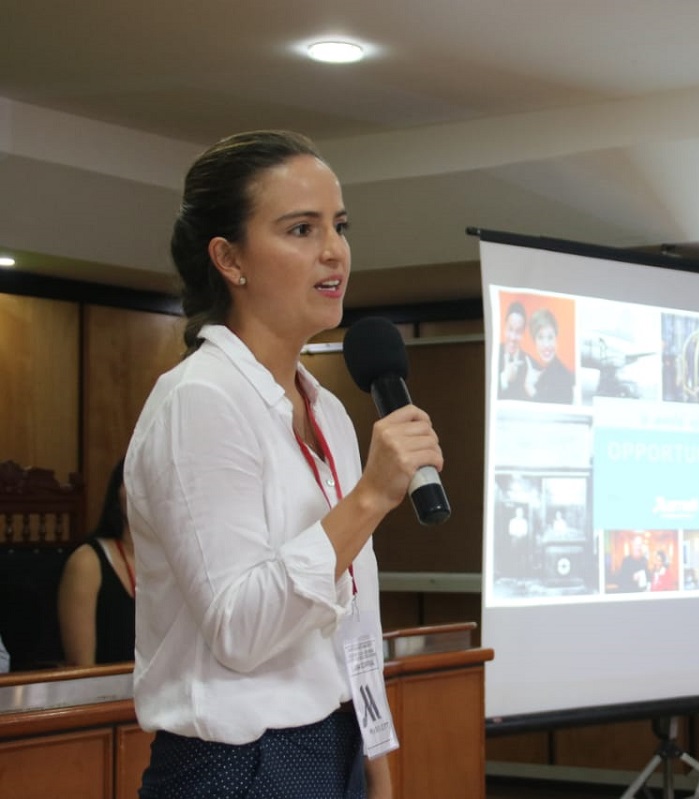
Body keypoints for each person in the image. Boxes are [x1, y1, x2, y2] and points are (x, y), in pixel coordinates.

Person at [125, 130, 443, 799]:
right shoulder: (199, 400)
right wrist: (370, 498)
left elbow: (350, 614)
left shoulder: (325, 407)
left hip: (340, 744)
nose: (333, 250)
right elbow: (240, 629)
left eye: (339, 225)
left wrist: (377, 764)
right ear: (230, 259)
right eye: (301, 228)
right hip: (239, 766)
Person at [57, 458, 136, 666]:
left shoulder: (173, 561)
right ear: (117, 494)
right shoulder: (86, 562)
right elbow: (82, 670)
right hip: (108, 693)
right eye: (133, 481)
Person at [527, 307, 574, 403]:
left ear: (556, 339)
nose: (546, 345)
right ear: (534, 341)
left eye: (550, 337)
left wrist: (530, 388)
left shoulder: (563, 377)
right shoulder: (535, 368)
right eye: (540, 337)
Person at [497, 300, 533, 400]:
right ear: (504, 328)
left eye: (518, 332)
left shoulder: (530, 364)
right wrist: (504, 379)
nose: (513, 337)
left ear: (523, 333)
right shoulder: (493, 354)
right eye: (510, 329)